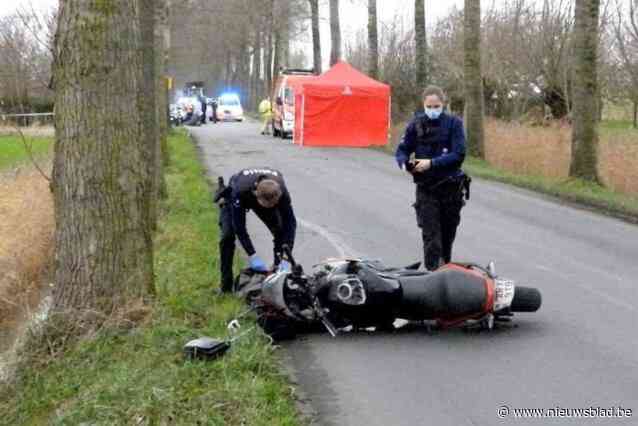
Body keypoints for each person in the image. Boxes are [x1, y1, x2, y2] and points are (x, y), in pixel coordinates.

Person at [395, 85, 470, 271]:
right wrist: (405, 164)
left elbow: (458, 154)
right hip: (427, 190)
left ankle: (445, 274)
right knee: (431, 239)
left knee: (446, 239)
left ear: (443, 105)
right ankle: (432, 275)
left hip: (451, 190)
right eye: (429, 106)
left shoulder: (454, 124)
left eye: (436, 106)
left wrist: (431, 163)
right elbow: (402, 150)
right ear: (424, 105)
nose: (433, 109)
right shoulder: (416, 124)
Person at [216, 167, 297, 293]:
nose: (272, 207)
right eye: (268, 205)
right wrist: (252, 254)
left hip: (264, 195)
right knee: (227, 236)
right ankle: (225, 286)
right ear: (256, 196)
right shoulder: (240, 191)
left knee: (280, 232)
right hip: (236, 197)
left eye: (274, 205)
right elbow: (240, 227)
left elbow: (290, 224)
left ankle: (277, 276)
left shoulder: (282, 193)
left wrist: (285, 258)